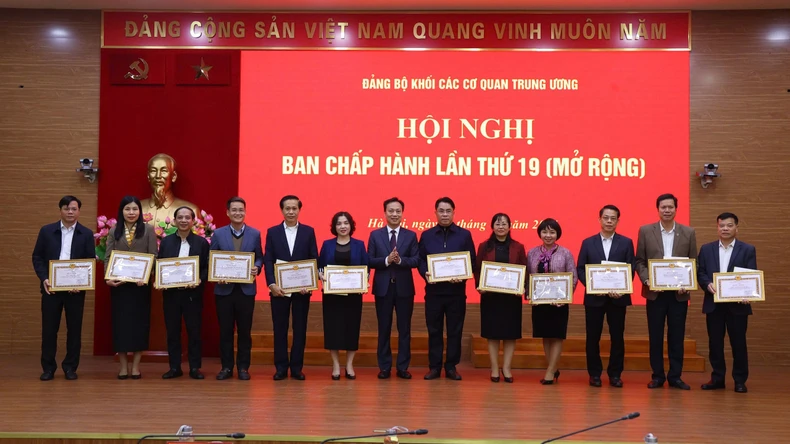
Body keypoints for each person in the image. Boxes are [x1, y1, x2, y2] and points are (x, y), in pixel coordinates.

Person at [635, 193, 697, 390]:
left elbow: (693, 262)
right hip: (655, 293)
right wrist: (647, 279)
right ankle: (658, 376)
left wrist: (688, 281)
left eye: (670, 207)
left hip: (678, 294)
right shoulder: (645, 231)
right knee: (655, 335)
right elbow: (640, 261)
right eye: (663, 207)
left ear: (676, 209)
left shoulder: (688, 232)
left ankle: (675, 376)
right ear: (658, 209)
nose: (667, 210)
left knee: (676, 336)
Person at [32, 195, 95, 381]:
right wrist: (44, 278)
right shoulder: (46, 231)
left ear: (79, 211)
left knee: (74, 329)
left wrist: (81, 283)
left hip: (75, 291)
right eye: (66, 208)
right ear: (60, 210)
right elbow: (37, 257)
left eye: (74, 209)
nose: (70, 212)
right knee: (49, 329)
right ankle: (48, 368)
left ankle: (70, 367)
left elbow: (89, 261)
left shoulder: (86, 233)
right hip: (51, 288)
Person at [576, 205, 635, 388]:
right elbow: (580, 269)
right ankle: (594, 374)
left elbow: (630, 268)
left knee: (617, 337)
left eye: (613, 218)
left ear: (618, 220)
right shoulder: (588, 242)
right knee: (592, 337)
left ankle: (615, 374)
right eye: (606, 218)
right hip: (594, 299)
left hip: (618, 298)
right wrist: (592, 286)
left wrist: (623, 288)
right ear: (599, 219)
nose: (609, 221)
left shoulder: (626, 242)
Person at [697, 212, 756, 393]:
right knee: (715, 343)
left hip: (738, 305)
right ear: (717, 227)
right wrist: (707, 284)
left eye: (729, 225)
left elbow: (751, 274)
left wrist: (748, 293)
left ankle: (739, 380)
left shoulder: (747, 249)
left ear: (736, 228)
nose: (725, 229)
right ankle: (717, 378)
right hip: (714, 304)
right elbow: (701, 273)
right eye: (721, 225)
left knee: (738, 343)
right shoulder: (706, 249)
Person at [418, 197, 476, 381]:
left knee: (455, 330)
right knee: (434, 330)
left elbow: (472, 261)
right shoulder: (426, 235)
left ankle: (451, 366)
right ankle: (434, 367)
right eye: (441, 211)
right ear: (435, 212)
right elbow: (420, 259)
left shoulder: (464, 235)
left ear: (453, 212)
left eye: (448, 211)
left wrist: (464, 274)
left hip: (456, 293)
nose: (444, 214)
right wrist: (425, 272)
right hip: (434, 292)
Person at [264, 195, 318, 381]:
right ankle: (280, 368)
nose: (291, 212)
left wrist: (309, 284)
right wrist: (271, 284)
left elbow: (313, 258)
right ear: (282, 210)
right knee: (279, 329)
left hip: (302, 291)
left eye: (294, 208)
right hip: (278, 290)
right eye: (287, 208)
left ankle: (296, 368)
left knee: (300, 329)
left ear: (299, 210)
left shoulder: (309, 232)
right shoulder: (272, 232)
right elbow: (268, 259)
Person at [105, 195, 158, 379]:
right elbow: (108, 256)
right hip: (119, 287)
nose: (131, 212)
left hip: (140, 287)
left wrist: (147, 276)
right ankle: (122, 367)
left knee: (139, 326)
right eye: (127, 209)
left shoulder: (149, 230)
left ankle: (135, 367)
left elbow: (153, 256)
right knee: (121, 327)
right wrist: (107, 278)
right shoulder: (113, 231)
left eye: (135, 209)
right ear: (122, 211)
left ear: (140, 212)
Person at [210, 196, 263, 381]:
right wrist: (217, 274)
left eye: (241, 210)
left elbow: (259, 257)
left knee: (244, 331)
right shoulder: (218, 234)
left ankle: (243, 367)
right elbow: (212, 258)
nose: (238, 213)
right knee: (225, 331)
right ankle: (226, 367)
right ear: (227, 212)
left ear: (245, 212)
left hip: (246, 290)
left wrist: (257, 266)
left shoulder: (255, 234)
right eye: (234, 210)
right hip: (224, 291)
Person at [367, 197, 419, 380]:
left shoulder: (411, 235)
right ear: (385, 213)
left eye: (398, 211)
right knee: (384, 328)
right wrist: (387, 260)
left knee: (404, 329)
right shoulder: (375, 235)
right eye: (391, 211)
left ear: (402, 213)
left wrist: (401, 261)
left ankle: (403, 367)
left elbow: (416, 260)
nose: (394, 214)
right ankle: (385, 367)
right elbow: (369, 260)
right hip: (383, 289)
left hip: (405, 289)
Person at [156, 206, 210, 380]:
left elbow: (206, 267)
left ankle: (195, 368)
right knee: (172, 331)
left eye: (187, 217)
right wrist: (160, 279)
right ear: (174, 220)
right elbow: (161, 264)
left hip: (193, 294)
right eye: (180, 217)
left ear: (193, 221)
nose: (184, 220)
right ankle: (174, 367)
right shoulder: (166, 242)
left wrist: (199, 279)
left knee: (194, 331)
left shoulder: (201, 243)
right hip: (171, 294)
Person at [473, 213, 527, 383]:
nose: (501, 226)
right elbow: (478, 269)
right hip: (491, 297)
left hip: (511, 298)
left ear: (510, 227)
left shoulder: (518, 247)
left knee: (510, 334)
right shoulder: (484, 246)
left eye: (504, 223)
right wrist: (479, 285)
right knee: (493, 334)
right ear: (492, 226)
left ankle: (507, 368)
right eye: (497, 223)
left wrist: (522, 287)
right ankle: (495, 368)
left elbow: (524, 269)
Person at [318, 212, 369, 380]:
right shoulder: (327, 245)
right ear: (335, 227)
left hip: (353, 296)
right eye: (339, 223)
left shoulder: (359, 245)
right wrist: (321, 276)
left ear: (351, 225)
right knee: (333, 329)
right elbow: (319, 267)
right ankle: (335, 365)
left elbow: (366, 268)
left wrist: (365, 281)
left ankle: (349, 365)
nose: (342, 226)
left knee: (351, 329)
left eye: (346, 223)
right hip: (332, 296)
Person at [527, 218, 578, 385]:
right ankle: (553, 367)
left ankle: (550, 371)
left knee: (556, 336)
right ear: (539, 233)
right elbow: (528, 276)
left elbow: (573, 277)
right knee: (545, 336)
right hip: (540, 303)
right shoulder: (532, 253)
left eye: (552, 232)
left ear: (557, 234)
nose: (548, 235)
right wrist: (529, 294)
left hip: (559, 303)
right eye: (544, 232)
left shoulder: (565, 253)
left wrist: (564, 297)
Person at [140, 153, 199, 226]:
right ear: (148, 176)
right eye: (153, 171)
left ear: (173, 176)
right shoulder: (136, 209)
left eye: (164, 171)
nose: (158, 176)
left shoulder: (191, 210)